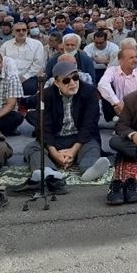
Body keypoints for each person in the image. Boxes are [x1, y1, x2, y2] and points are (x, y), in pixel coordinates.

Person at [18, 61, 110, 190]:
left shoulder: (89, 91)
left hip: (80, 138)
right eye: (66, 80)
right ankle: (48, 172)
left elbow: (89, 125)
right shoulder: (46, 95)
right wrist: (55, 153)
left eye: (75, 78)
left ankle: (89, 169)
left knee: (92, 146)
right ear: (57, 83)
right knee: (32, 148)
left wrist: (73, 151)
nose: (73, 83)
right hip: (55, 139)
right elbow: (44, 127)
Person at [97, 46, 137, 122]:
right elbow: (102, 84)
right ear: (120, 61)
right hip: (115, 109)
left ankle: (123, 122)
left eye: (136, 57)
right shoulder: (112, 70)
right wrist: (116, 103)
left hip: (134, 110)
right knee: (105, 88)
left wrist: (125, 109)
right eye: (131, 58)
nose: (135, 60)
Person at [0, 21, 46, 97]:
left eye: (24, 30)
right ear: (13, 32)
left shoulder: (37, 44)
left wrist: (24, 77)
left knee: (29, 88)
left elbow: (37, 64)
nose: (21, 32)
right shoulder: (5, 45)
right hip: (9, 77)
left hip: (29, 76)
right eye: (18, 30)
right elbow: (2, 63)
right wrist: (12, 78)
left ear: (27, 31)